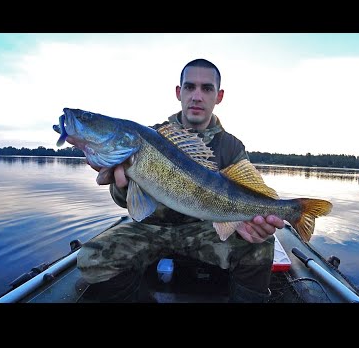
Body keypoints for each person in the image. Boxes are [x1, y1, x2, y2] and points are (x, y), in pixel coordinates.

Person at [74, 58, 285, 303]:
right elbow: (126, 202)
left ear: (219, 96)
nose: (197, 96)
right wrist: (119, 186)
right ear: (179, 92)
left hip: (205, 232)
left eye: (206, 88)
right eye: (189, 87)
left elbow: (245, 196)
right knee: (91, 258)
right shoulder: (150, 137)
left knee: (261, 246)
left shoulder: (231, 147)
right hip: (151, 229)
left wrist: (253, 226)